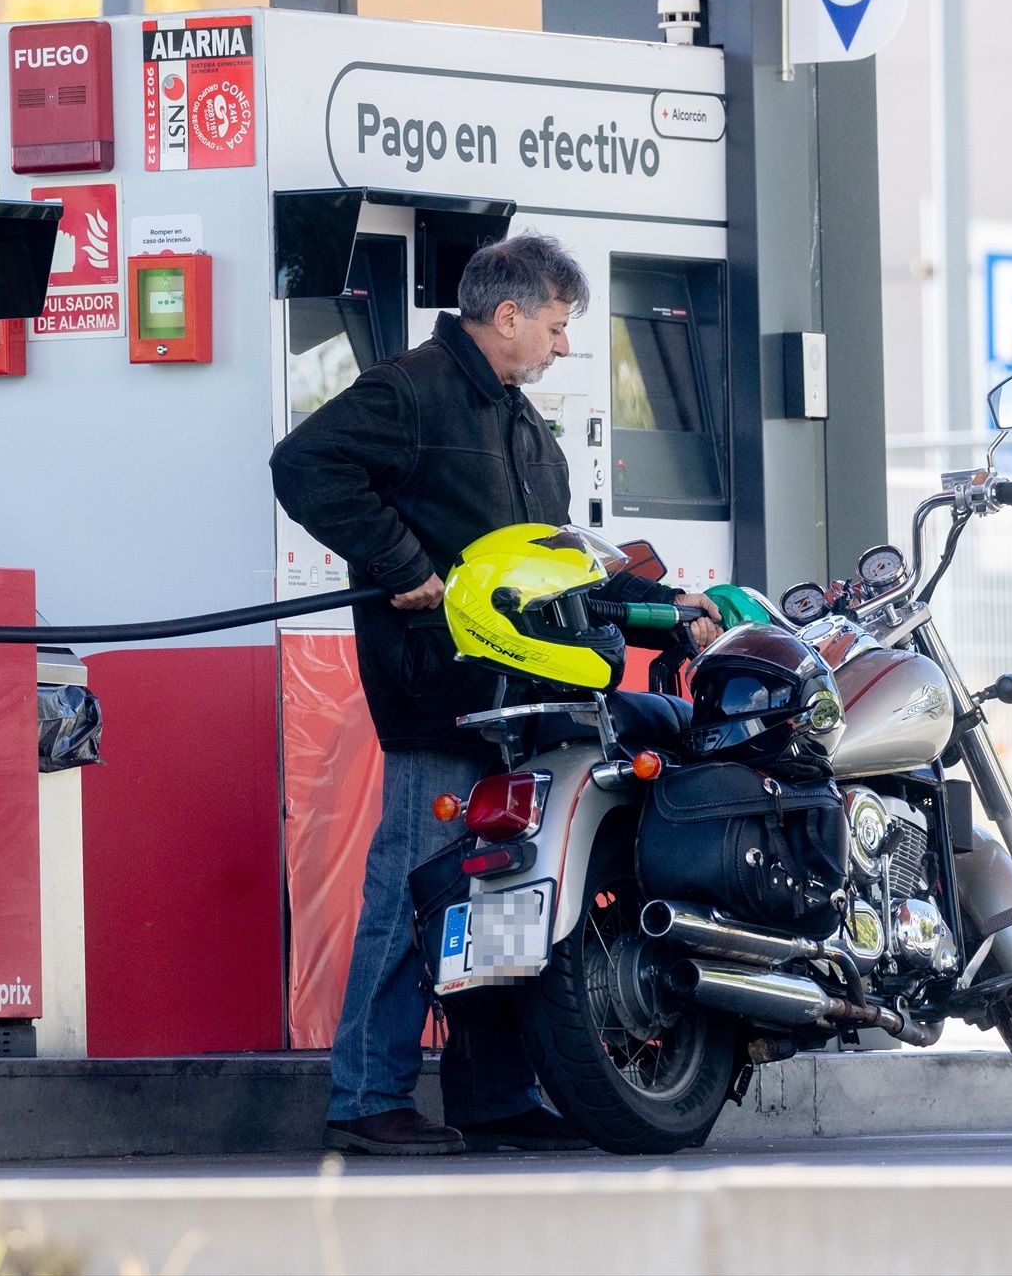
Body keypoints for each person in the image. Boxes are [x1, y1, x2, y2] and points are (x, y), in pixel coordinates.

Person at [270, 233, 722, 1156]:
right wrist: (403, 566)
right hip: (442, 696)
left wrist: (666, 607)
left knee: (511, 897)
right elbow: (303, 465)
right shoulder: (409, 391)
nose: (564, 345)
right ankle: (366, 1098)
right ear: (508, 315)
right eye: (556, 325)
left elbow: (559, 565)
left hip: (529, 698)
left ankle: (494, 1097)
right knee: (418, 889)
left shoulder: (524, 428)